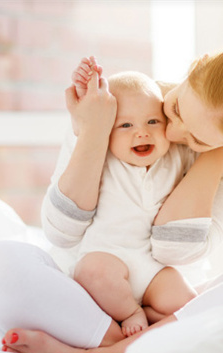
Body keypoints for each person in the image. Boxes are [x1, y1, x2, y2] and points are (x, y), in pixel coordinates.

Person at [0, 44, 223, 353]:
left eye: (197, 140)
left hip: (172, 302)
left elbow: (172, 250)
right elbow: (61, 231)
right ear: (195, 67)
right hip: (82, 297)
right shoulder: (122, 104)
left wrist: (218, 152)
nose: (171, 134)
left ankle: (101, 352)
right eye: (175, 110)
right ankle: (120, 340)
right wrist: (94, 130)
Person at [67, 60, 198, 337]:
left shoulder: (176, 155)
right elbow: (84, 124)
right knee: (91, 273)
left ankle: (144, 314)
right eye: (125, 125)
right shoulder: (104, 155)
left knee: (187, 303)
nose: (142, 132)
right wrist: (86, 90)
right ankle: (130, 312)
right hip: (108, 255)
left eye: (153, 121)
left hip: (152, 265)